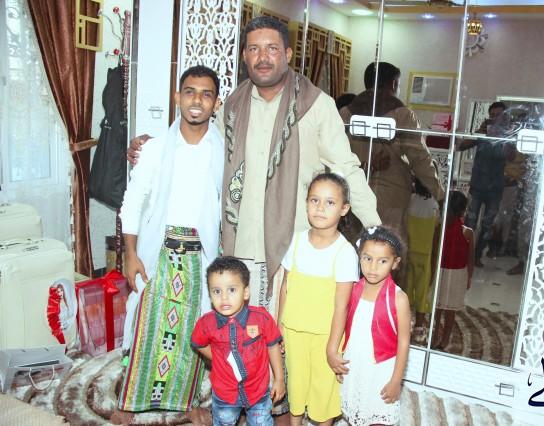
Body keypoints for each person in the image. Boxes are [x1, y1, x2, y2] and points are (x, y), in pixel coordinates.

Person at [128, 17, 380, 419]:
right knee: (238, 335)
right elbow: (197, 138)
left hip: (290, 248)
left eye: (272, 48)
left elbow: (346, 168)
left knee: (282, 336)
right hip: (237, 243)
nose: (263, 57)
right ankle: (239, 400)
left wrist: (375, 227)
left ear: (289, 54)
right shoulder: (233, 104)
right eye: (254, 49)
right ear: (244, 56)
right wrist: (150, 146)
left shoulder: (316, 105)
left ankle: (280, 406)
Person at [113, 65, 224, 424]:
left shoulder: (224, 151)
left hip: (200, 256)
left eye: (206, 94)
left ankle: (184, 400)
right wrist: (130, 254)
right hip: (157, 251)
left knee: (193, 330)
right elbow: (133, 202)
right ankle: (130, 401)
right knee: (145, 326)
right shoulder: (156, 149)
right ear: (177, 97)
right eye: (190, 92)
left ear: (216, 103)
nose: (197, 100)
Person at [277, 173, 359, 426]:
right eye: (315, 200)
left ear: (344, 209)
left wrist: (333, 347)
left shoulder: (345, 252)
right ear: (306, 203)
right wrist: (279, 327)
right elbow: (286, 285)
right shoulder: (296, 241)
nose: (320, 208)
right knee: (297, 387)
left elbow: (342, 306)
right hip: (294, 332)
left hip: (325, 336)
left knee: (323, 392)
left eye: (330, 202)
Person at [339, 62, 444, 256]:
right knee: (388, 252)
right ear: (393, 84)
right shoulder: (403, 116)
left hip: (354, 194)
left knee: (355, 250)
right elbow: (420, 159)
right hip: (391, 199)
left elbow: (336, 158)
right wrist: (439, 193)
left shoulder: (345, 113)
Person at [191, 256, 285, 426]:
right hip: (225, 394)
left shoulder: (261, 318)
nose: (224, 298)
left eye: (232, 290)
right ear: (210, 294)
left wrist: (279, 379)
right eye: (217, 291)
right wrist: (219, 357)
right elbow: (198, 343)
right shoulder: (206, 323)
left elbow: (273, 346)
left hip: (258, 392)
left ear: (246, 292)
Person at [339, 226, 411, 426]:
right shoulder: (352, 289)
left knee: (378, 414)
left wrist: (396, 380)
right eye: (367, 258)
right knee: (355, 412)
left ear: (395, 263)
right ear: (359, 256)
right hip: (355, 363)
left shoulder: (399, 298)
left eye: (382, 261)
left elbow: (404, 342)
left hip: (381, 369)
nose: (373, 267)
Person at [458, 101, 516, 267]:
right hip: (477, 186)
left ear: (505, 117)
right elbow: (461, 146)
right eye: (492, 115)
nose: (495, 118)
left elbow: (511, 157)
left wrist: (505, 137)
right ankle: (464, 254)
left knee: (487, 225)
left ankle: (477, 256)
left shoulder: (507, 135)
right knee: (470, 222)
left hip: (495, 189)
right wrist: (480, 132)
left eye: (499, 116)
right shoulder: (483, 133)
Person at [434, 190, 475, 350]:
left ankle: (444, 338)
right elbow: (434, 253)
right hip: (443, 273)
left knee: (449, 309)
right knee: (439, 307)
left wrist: (469, 277)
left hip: (457, 275)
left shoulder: (467, 232)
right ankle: (437, 333)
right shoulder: (440, 229)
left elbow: (470, 258)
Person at [406, 179, 441, 344]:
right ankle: (419, 327)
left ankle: (404, 324)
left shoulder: (410, 200)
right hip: (425, 254)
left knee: (406, 289)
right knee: (422, 291)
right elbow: (436, 235)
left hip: (409, 251)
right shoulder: (434, 205)